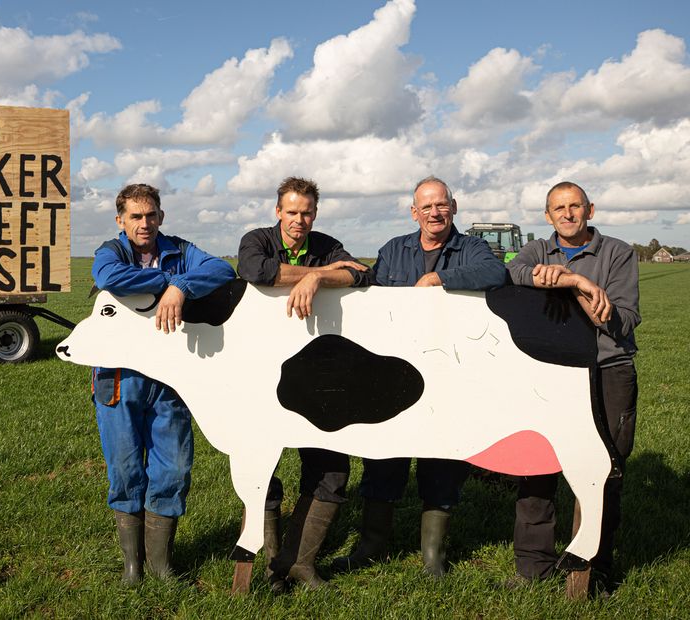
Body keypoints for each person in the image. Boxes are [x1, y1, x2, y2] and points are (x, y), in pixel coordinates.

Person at [333, 176, 507, 577]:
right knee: (383, 456)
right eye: (426, 206)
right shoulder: (394, 251)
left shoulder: (474, 249)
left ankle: (433, 557)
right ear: (415, 212)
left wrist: (439, 279)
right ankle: (372, 545)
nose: (435, 212)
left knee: (443, 459)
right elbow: (372, 295)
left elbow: (495, 273)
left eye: (441, 205)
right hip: (394, 373)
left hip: (449, 372)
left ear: (454, 207)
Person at [90, 183, 235, 585]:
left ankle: (162, 566)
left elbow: (222, 270)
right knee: (125, 469)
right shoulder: (111, 252)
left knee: (173, 469)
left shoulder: (181, 249)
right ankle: (132, 569)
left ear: (161, 216)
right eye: (135, 216)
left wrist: (182, 287)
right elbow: (107, 277)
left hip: (171, 376)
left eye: (151, 215)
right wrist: (168, 282)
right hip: (119, 377)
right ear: (121, 220)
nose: (145, 223)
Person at [506, 181, 640, 595]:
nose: (567, 214)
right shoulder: (535, 251)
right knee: (536, 466)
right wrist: (572, 280)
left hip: (606, 370)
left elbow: (624, 320)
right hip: (550, 375)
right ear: (547, 216)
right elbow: (511, 272)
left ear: (590, 209)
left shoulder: (617, 253)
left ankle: (591, 570)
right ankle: (532, 568)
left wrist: (570, 284)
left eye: (575, 206)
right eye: (558, 208)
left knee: (601, 472)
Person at [237, 176, 371, 591]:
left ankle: (300, 562)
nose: (299, 220)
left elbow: (362, 274)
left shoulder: (327, 244)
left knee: (331, 468)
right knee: (263, 468)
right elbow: (255, 271)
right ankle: (269, 562)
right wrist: (316, 272)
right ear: (278, 211)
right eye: (292, 212)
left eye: (307, 212)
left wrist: (317, 278)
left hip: (319, 375)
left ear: (315, 213)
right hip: (262, 372)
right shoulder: (256, 239)